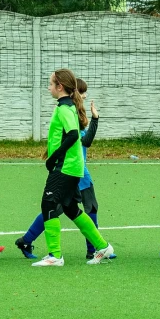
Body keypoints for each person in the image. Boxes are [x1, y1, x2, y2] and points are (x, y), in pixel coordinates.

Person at [30, 69, 115, 267]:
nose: (49, 88)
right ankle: (103, 247)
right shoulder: (66, 107)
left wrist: (54, 158)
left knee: (48, 204)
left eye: (51, 84)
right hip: (73, 167)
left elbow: (72, 135)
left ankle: (55, 255)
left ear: (60, 87)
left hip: (65, 167)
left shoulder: (64, 109)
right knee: (69, 208)